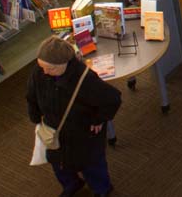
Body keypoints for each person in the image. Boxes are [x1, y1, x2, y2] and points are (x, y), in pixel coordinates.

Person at [27, 36, 121, 197]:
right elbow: (31, 95)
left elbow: (112, 99)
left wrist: (99, 118)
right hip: (55, 132)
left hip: (83, 135)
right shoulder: (39, 72)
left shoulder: (85, 80)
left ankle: (101, 190)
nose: (45, 72)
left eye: (50, 68)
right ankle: (72, 184)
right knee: (58, 163)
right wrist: (35, 117)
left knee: (92, 165)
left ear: (64, 63)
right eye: (41, 66)